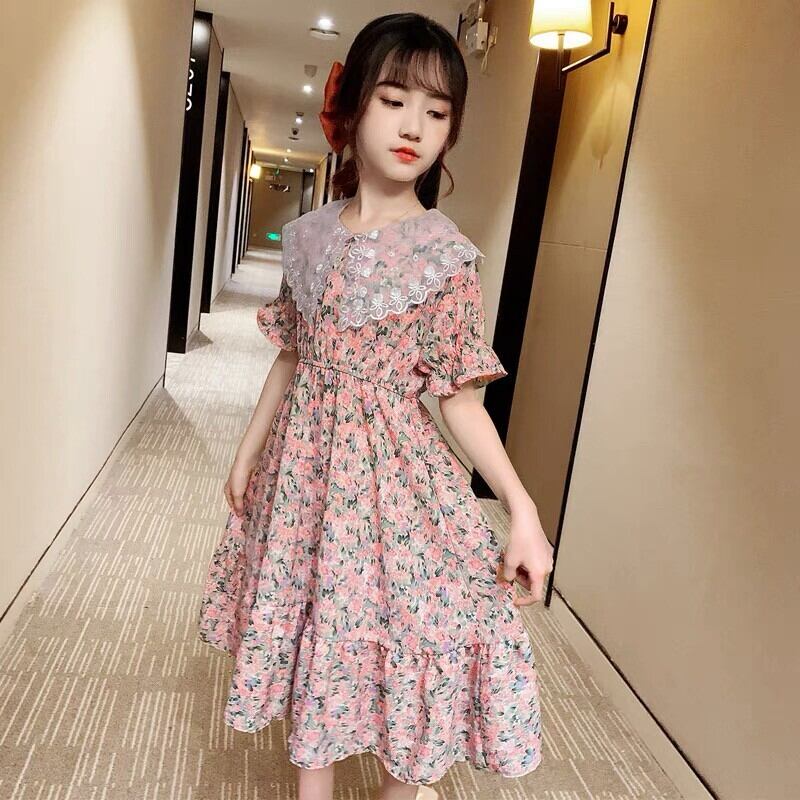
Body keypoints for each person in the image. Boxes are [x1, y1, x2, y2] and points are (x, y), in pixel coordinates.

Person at [198, 12, 554, 800]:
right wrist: (248, 452)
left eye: (436, 112)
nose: (413, 127)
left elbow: (460, 401)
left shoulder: (446, 257)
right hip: (304, 474)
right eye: (394, 101)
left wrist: (521, 509)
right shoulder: (307, 238)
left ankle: (405, 784)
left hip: (395, 482)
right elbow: (293, 355)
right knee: (312, 619)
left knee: (414, 628)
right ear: (354, 105)